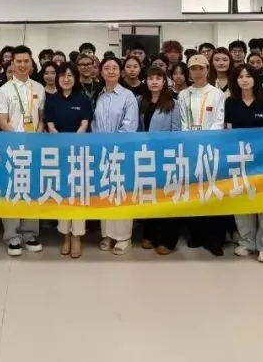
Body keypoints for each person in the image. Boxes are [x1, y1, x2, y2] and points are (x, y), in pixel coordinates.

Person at [0, 45, 46, 256]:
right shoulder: (4, 90)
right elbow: (2, 120)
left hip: (33, 148)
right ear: (12, 64)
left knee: (32, 190)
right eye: (19, 61)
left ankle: (30, 233)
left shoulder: (39, 88)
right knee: (11, 191)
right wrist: (18, 139)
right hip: (11, 148)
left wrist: (36, 136)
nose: (23, 65)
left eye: (26, 61)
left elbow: (41, 118)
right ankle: (12, 236)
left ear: (31, 64)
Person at [177, 55, 228, 255]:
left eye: (200, 68)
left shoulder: (217, 94)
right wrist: (191, 140)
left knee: (213, 191)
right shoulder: (183, 95)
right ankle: (195, 235)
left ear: (207, 69)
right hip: (190, 148)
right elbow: (183, 121)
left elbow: (219, 121)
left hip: (212, 148)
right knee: (194, 191)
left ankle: (214, 239)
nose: (197, 72)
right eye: (193, 68)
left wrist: (205, 140)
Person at [225, 64, 263, 263]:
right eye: (240, 77)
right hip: (239, 158)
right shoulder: (231, 102)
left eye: (248, 76)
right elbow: (229, 130)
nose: (245, 80)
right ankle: (246, 242)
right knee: (241, 199)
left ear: (255, 79)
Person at [43, 63, 93, 258]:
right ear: (57, 78)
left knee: (78, 196)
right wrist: (62, 143)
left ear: (76, 78)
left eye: (70, 75)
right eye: (63, 75)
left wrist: (73, 142)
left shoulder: (83, 99)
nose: (66, 79)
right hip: (58, 153)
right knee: (63, 195)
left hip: (79, 152)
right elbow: (50, 125)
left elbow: (84, 124)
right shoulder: (52, 100)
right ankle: (65, 235)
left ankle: (77, 236)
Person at [92, 57, 139, 255]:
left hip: (121, 152)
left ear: (121, 72)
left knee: (121, 194)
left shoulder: (128, 96)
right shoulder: (98, 95)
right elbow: (94, 124)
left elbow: (130, 125)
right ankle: (107, 234)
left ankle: (124, 237)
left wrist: (112, 144)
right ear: (101, 72)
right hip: (101, 152)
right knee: (105, 192)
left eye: (114, 68)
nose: (110, 71)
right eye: (107, 68)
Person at [136, 67, 183, 254]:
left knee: (167, 197)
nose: (154, 82)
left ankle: (167, 240)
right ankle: (150, 234)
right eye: (151, 78)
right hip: (146, 156)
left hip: (166, 156)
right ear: (146, 81)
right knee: (150, 196)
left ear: (165, 82)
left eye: (158, 78)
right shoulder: (140, 101)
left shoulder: (173, 104)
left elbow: (177, 132)